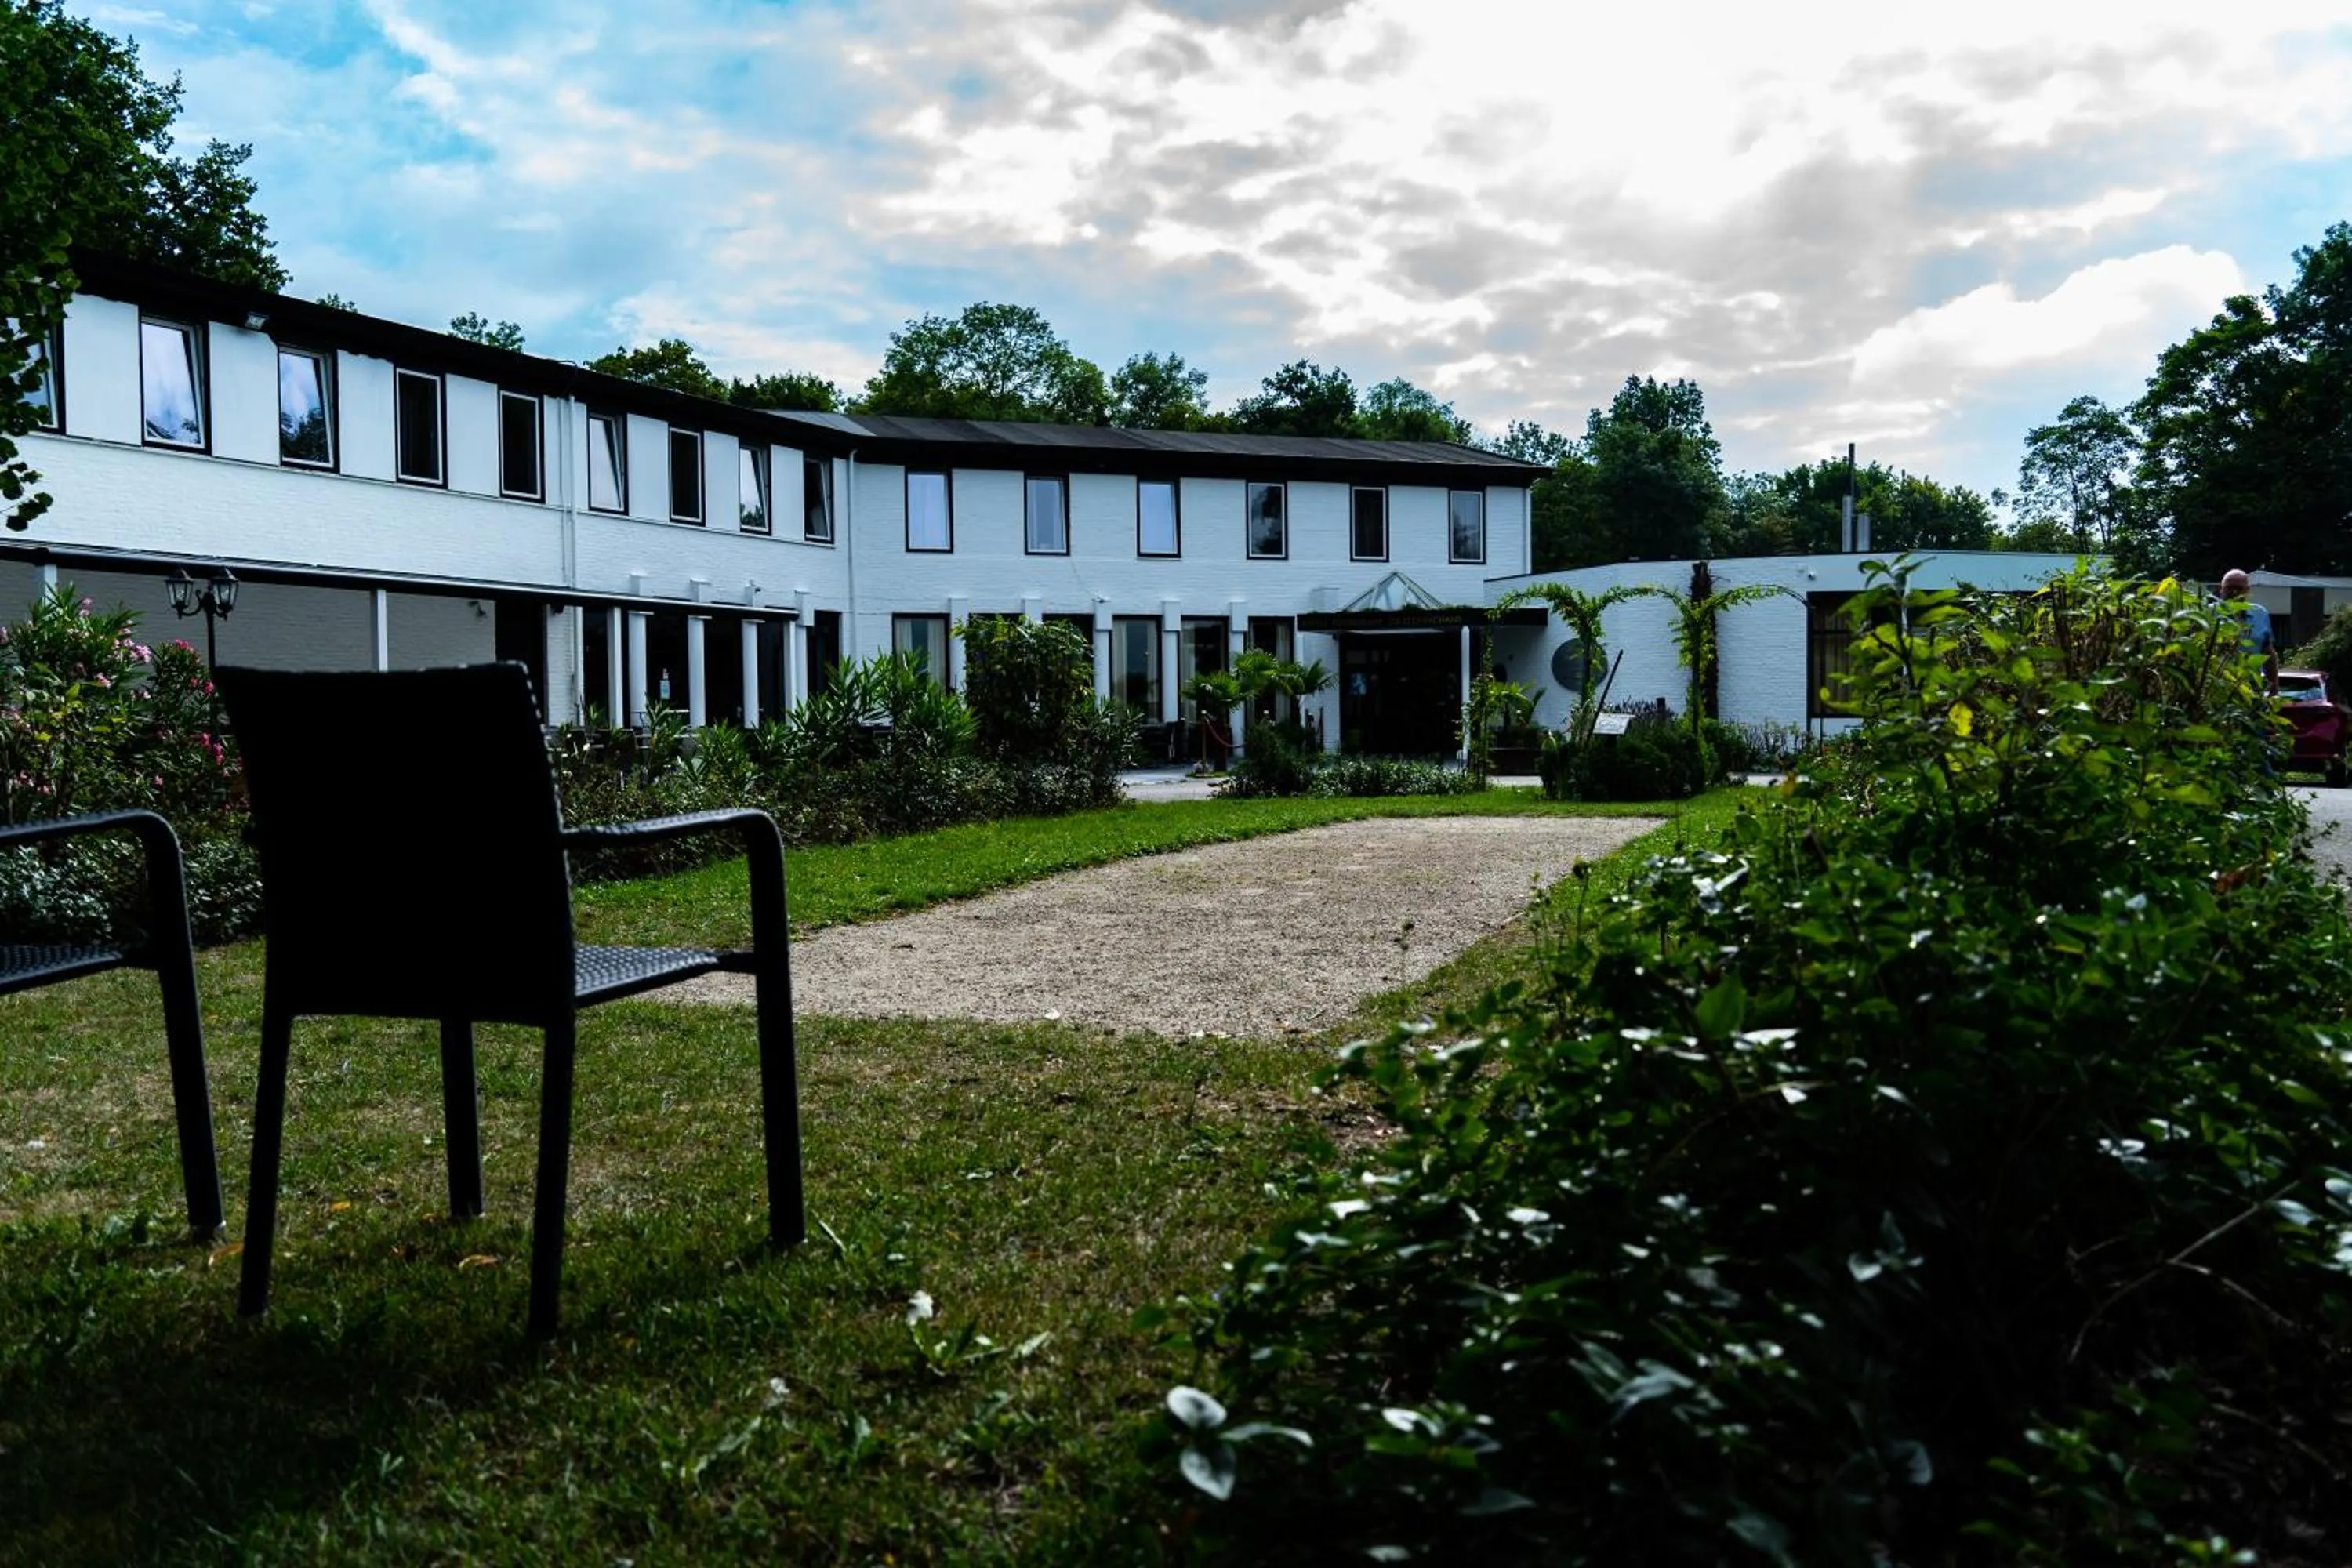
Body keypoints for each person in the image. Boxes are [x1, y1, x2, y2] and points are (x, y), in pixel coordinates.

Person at [2221, 569, 2280, 695]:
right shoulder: (2210, 613)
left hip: (2253, 692)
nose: (2234, 592)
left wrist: (2274, 688)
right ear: (2221, 590)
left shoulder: (2261, 614)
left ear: (2248, 590)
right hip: (2219, 692)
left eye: (2239, 588)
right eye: (2229, 588)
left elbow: (2268, 653)